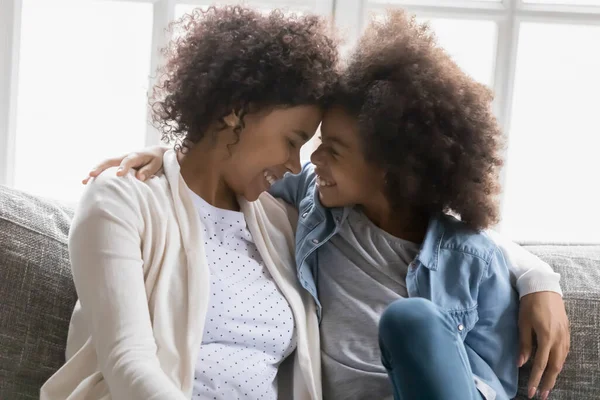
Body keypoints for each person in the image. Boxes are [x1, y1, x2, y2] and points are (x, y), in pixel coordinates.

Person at [86, 10, 570, 400]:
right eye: (300, 141)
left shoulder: (470, 262)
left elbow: (465, 257)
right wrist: (170, 155)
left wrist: (537, 277)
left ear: (391, 169)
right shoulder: (311, 208)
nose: (304, 163)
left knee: (412, 320)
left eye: (325, 148)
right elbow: (211, 165)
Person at [41, 6, 340, 400]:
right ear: (236, 110)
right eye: (292, 140)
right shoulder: (121, 200)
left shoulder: (281, 223)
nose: (293, 164)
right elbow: (127, 363)